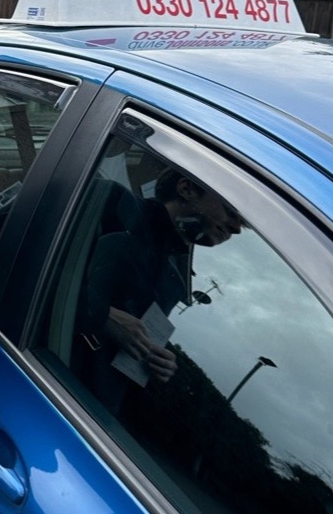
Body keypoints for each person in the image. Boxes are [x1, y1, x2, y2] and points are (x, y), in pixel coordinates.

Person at [83, 169, 242, 412]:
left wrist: (158, 364)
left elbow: (126, 343)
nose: (236, 228)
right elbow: (13, 249)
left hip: (91, 413)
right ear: (186, 189)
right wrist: (102, 315)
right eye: (230, 211)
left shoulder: (173, 283)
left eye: (241, 223)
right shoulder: (110, 202)